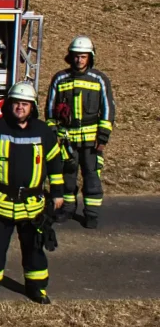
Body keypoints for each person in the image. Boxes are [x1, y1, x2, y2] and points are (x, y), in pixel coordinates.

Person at [0, 82, 64, 305]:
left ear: (32, 107)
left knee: (34, 248)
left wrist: (58, 193)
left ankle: (37, 288)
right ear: (9, 105)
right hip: (1, 201)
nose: (20, 108)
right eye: (16, 103)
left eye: (25, 104)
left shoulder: (44, 131)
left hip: (32, 204)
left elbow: (55, 163)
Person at [45, 35, 115, 229]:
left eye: (83, 56)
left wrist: (103, 136)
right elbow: (50, 109)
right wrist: (53, 133)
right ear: (70, 57)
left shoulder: (100, 79)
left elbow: (108, 109)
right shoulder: (60, 78)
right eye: (76, 56)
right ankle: (67, 208)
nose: (79, 60)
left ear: (90, 58)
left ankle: (91, 214)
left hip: (92, 139)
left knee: (92, 175)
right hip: (67, 138)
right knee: (68, 173)